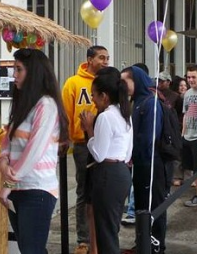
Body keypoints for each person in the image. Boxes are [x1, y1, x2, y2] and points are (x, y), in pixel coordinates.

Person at [0, 48, 68, 254]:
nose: (14, 75)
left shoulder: (46, 105)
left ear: (34, 72)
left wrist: (8, 183)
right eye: (14, 69)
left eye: (18, 69)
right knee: (31, 249)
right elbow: (7, 141)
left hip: (38, 191)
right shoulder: (23, 104)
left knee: (31, 250)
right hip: (18, 190)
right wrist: (2, 161)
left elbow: (34, 150)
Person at [62, 45, 109, 254]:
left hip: (105, 143)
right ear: (89, 59)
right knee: (84, 192)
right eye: (101, 57)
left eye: (107, 58)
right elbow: (65, 114)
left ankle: (101, 236)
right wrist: (65, 138)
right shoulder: (73, 83)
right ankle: (83, 240)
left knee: (102, 191)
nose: (105, 61)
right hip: (82, 145)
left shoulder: (106, 82)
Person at [80, 68, 132, 254]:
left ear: (104, 96)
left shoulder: (105, 117)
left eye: (94, 95)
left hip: (107, 174)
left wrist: (89, 129)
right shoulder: (125, 114)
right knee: (111, 228)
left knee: (105, 232)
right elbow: (128, 153)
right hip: (122, 173)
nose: (92, 99)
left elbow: (99, 154)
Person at [121, 66, 167, 254]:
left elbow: (149, 138)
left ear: (136, 80)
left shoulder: (150, 103)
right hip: (140, 164)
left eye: (125, 82)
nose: (122, 86)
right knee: (141, 205)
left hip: (151, 164)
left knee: (153, 206)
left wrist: (133, 153)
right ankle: (143, 243)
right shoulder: (136, 101)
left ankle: (156, 245)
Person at [181, 65, 197, 208]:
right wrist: (182, 132)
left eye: (194, 77)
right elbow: (186, 113)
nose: (190, 80)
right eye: (188, 77)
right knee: (192, 167)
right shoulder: (187, 93)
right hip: (188, 135)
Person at [170, 75, 189, 186]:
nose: (183, 87)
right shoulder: (176, 98)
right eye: (181, 85)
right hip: (178, 128)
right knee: (178, 154)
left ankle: (188, 177)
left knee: (187, 154)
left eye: (185, 85)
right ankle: (177, 176)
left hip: (188, 128)